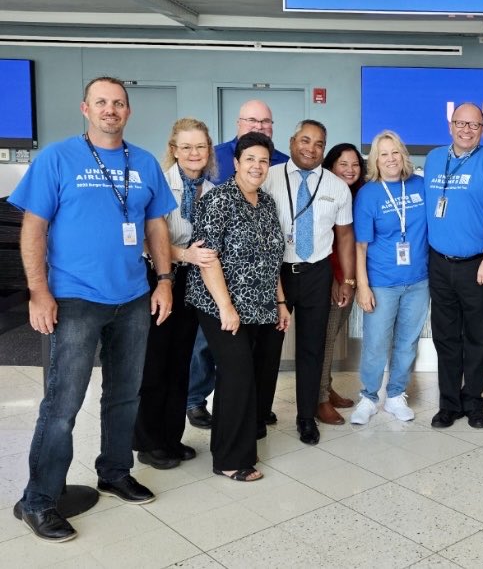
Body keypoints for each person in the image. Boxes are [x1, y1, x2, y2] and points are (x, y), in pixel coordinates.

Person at [10, 77, 177, 542]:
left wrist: (163, 281)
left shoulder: (143, 162)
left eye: (118, 103)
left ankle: (114, 471)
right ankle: (39, 500)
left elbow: (156, 226)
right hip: (75, 297)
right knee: (63, 404)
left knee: (125, 394)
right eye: (101, 102)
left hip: (133, 297)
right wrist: (37, 291)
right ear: (86, 108)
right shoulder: (57, 159)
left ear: (128, 110)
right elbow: (34, 228)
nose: (110, 109)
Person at [186, 132, 290, 482]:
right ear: (236, 163)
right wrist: (227, 307)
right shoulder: (218, 201)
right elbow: (207, 259)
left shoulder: (267, 203)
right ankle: (229, 459)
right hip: (220, 306)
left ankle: (239, 447)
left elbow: (272, 257)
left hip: (260, 305)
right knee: (237, 374)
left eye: (263, 161)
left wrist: (280, 302)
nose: (257, 166)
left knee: (249, 377)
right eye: (250, 160)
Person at [424, 103, 483, 430]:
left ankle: (474, 402)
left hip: (478, 265)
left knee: (477, 337)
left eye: (474, 125)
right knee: (445, 337)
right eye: (461, 123)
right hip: (439, 263)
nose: (467, 130)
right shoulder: (435, 158)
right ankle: (448, 403)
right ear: (450, 125)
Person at [262, 119, 355, 445]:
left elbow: (344, 236)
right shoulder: (268, 176)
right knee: (268, 348)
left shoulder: (336, 186)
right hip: (277, 274)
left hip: (317, 273)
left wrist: (348, 279)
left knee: (311, 349)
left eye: (318, 144)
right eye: (305, 140)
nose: (311, 149)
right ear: (291, 142)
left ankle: (305, 417)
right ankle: (260, 412)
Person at [133, 118, 218, 470]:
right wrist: (184, 255)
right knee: (156, 362)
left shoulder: (214, 190)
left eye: (200, 146)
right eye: (186, 147)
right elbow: (146, 239)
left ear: (208, 150)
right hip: (161, 278)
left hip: (195, 283)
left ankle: (171, 437)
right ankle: (149, 443)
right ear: (174, 150)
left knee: (182, 362)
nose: (194, 153)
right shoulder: (158, 186)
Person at [351, 131, 430, 425]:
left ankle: (396, 395)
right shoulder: (368, 193)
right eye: (383, 154)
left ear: (403, 155)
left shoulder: (421, 186)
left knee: (407, 342)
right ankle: (369, 397)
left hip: (419, 280)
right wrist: (363, 286)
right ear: (375, 160)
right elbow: (361, 245)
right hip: (382, 282)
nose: (390, 159)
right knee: (375, 343)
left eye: (395, 152)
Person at [316, 143, 365, 425]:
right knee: (325, 339)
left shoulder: (359, 194)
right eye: (343, 164)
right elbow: (331, 243)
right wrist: (338, 278)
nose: (349, 169)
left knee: (330, 337)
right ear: (331, 166)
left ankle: (325, 387)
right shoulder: (327, 192)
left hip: (350, 278)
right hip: (333, 279)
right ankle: (320, 398)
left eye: (355, 164)